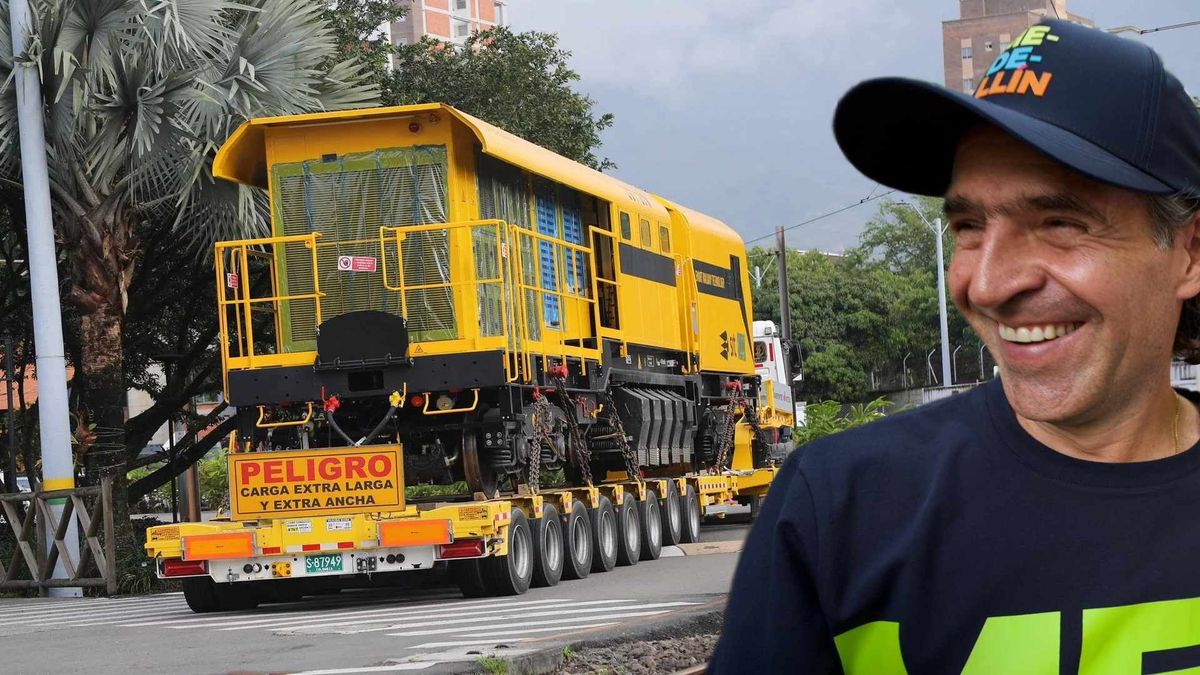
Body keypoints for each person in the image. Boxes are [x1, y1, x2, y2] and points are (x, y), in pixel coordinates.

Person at [710, 19, 1200, 673]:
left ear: (1189, 252)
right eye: (969, 225)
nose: (990, 284)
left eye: (1058, 222)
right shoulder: (840, 509)